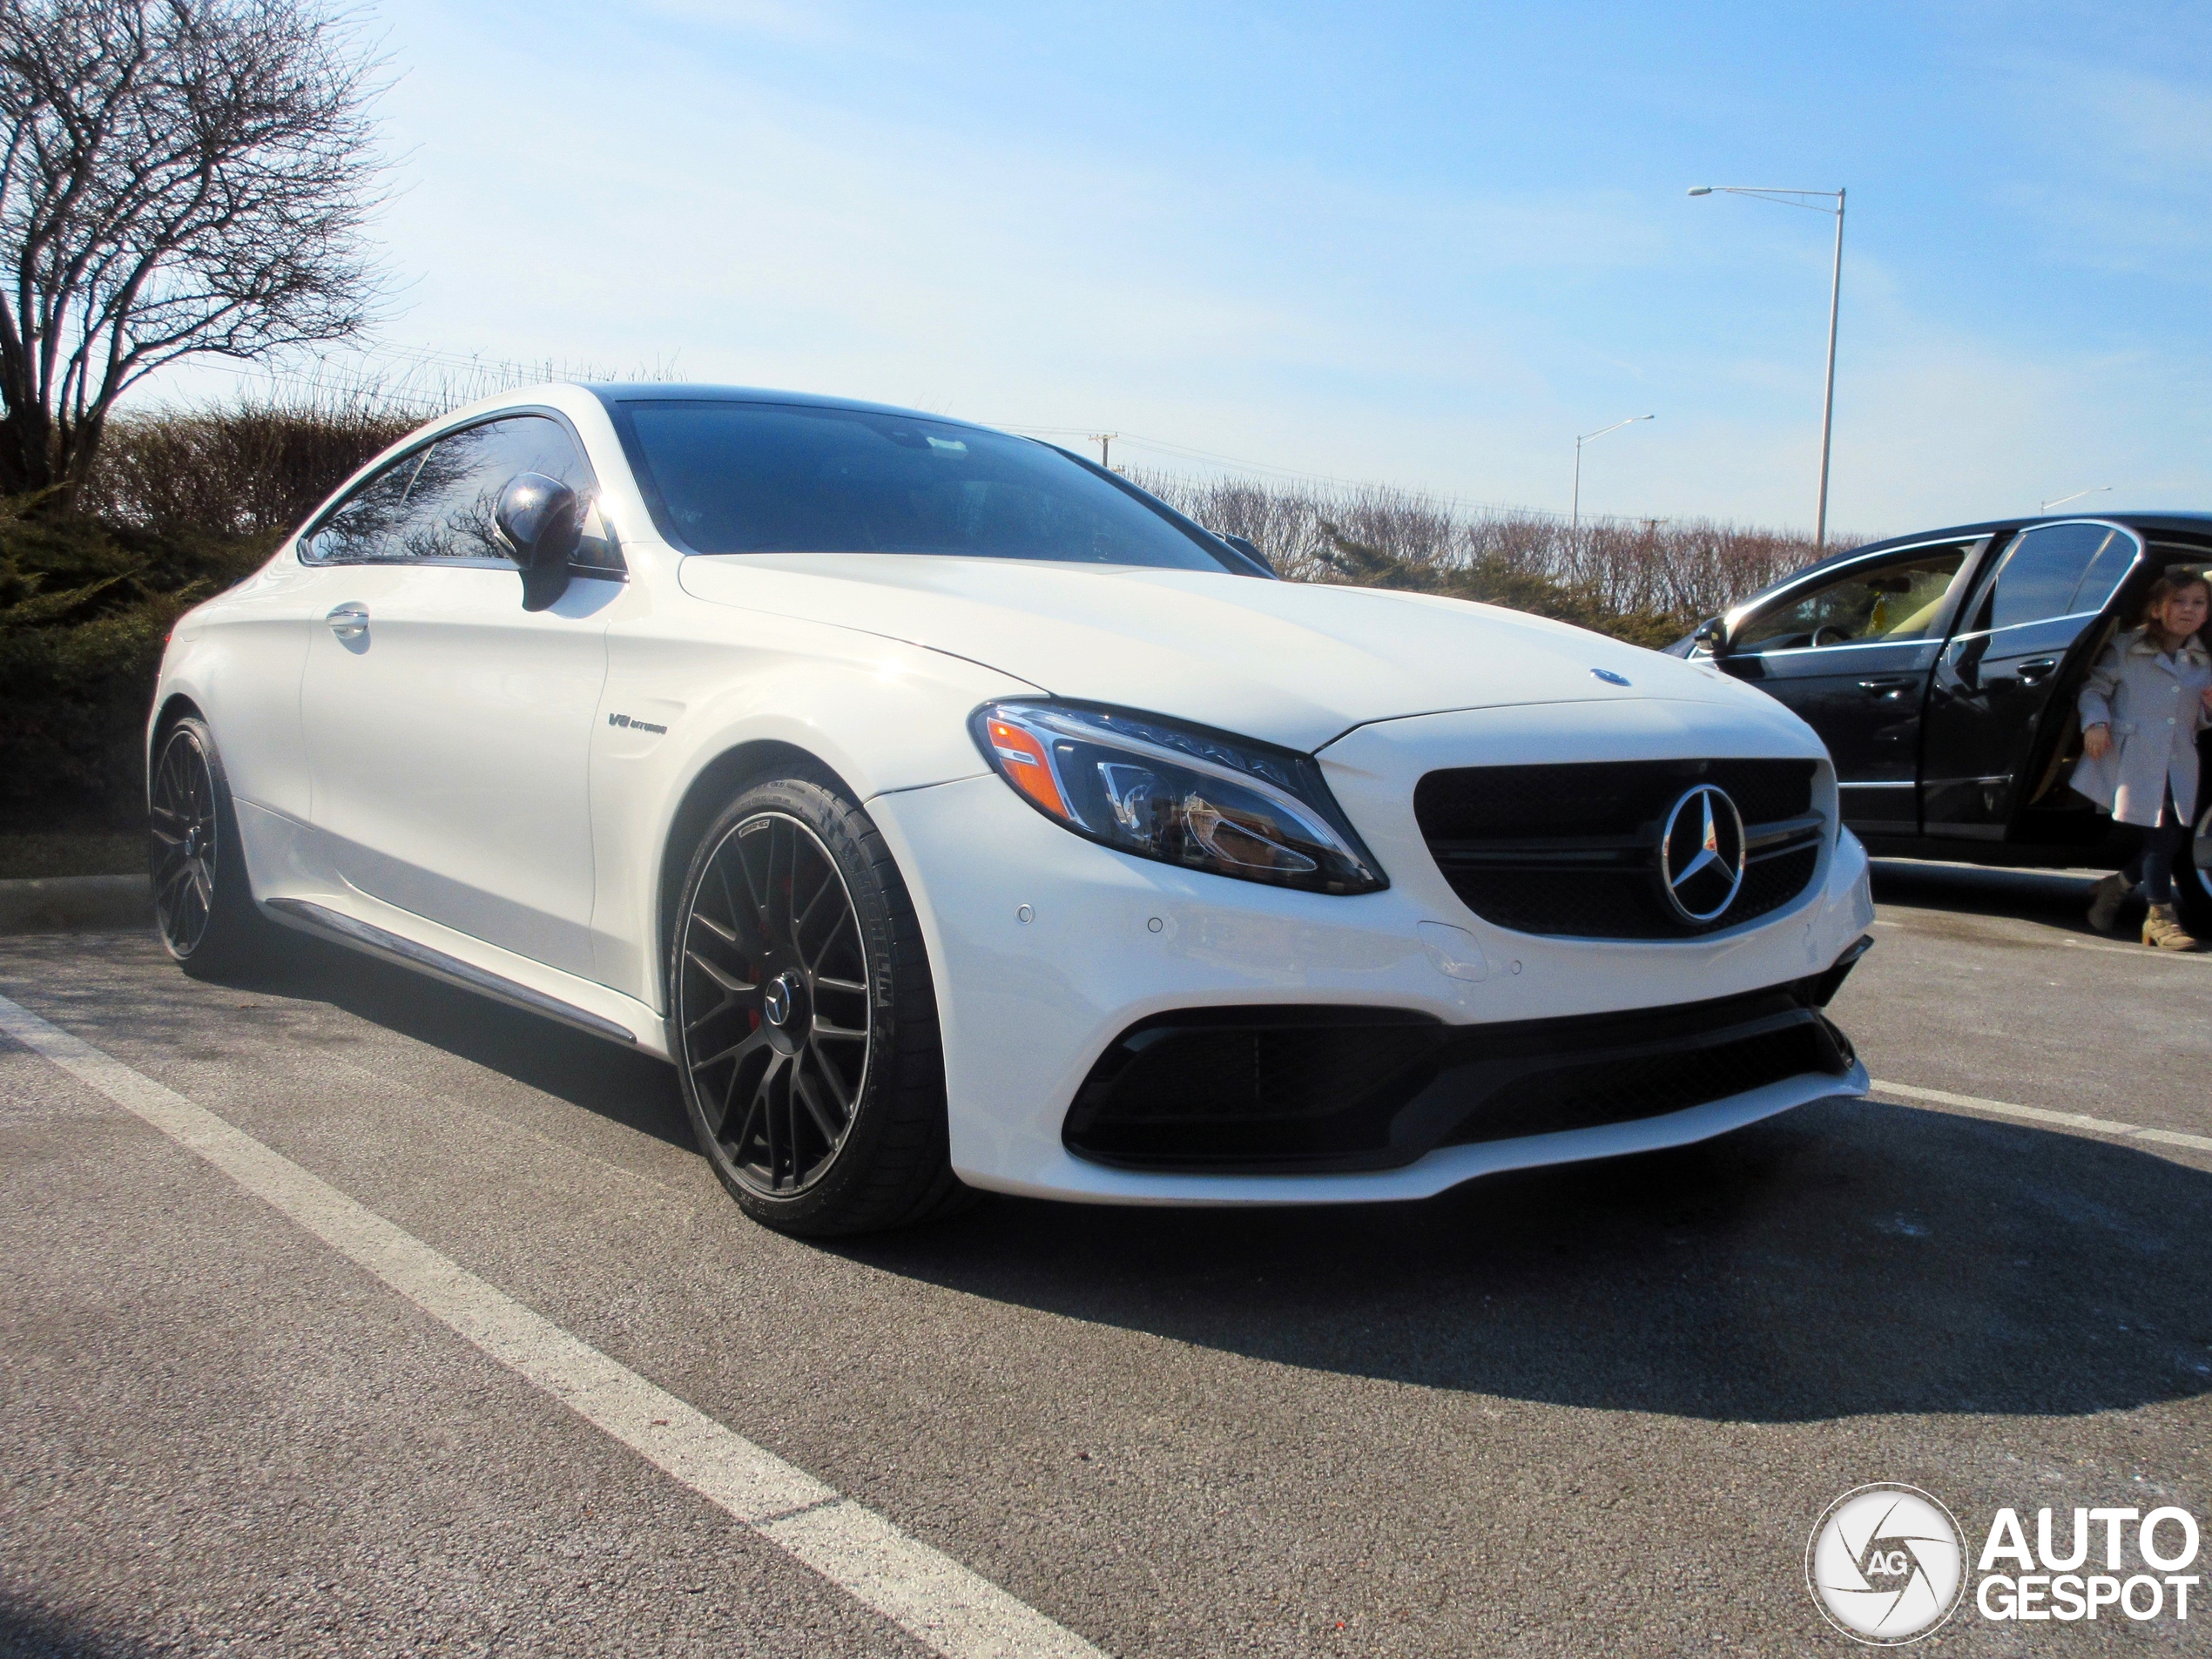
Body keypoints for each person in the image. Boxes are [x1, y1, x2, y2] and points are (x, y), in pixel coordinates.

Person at [2076, 572, 2212, 949]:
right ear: (2157, 608)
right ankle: (2160, 917)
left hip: (2178, 759)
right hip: (2133, 757)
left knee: (2168, 837)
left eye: (2198, 603)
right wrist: (2096, 723)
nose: (2188, 609)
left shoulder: (2204, 660)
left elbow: (2197, 717)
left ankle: (2114, 888)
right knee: (2162, 833)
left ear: (2206, 614)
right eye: (2178, 601)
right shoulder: (2126, 647)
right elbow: (2094, 689)